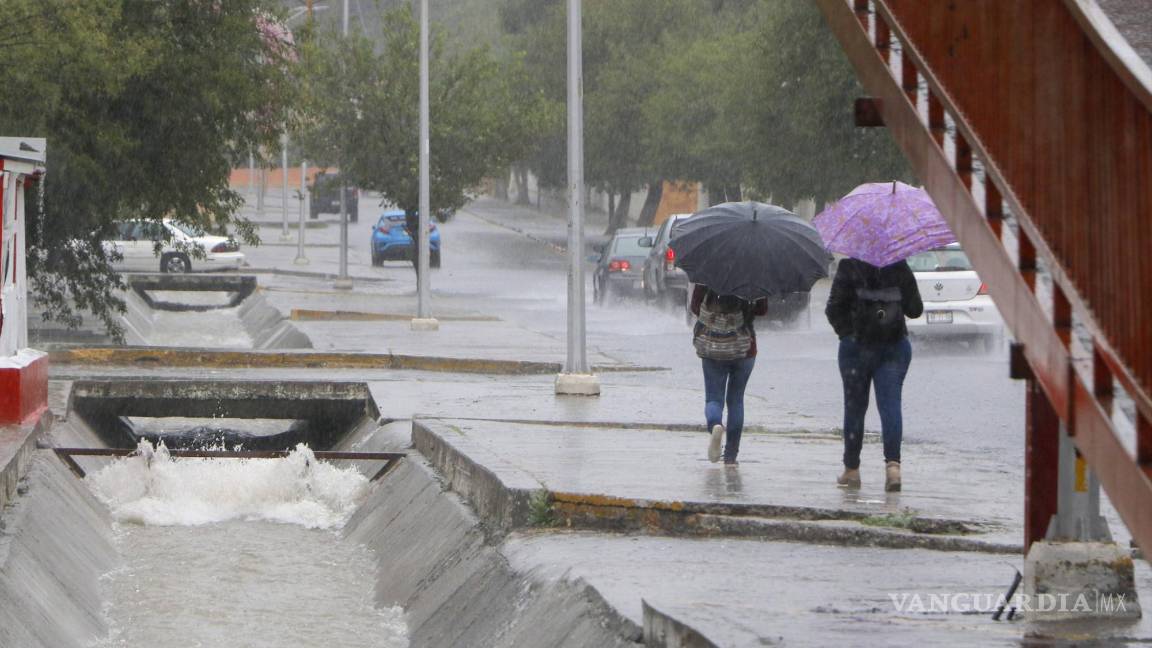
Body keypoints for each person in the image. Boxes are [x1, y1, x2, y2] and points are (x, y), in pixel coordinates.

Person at [825, 258, 923, 491]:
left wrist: (847, 334)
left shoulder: (849, 266)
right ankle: (893, 467)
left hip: (856, 347)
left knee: (855, 407)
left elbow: (833, 308)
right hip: (894, 345)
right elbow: (915, 310)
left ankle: (852, 470)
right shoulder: (898, 265)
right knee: (890, 405)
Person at [690, 284, 768, 465]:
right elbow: (762, 310)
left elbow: (695, 306)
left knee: (713, 399)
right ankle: (731, 456)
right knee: (736, 400)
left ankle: (715, 425)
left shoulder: (707, 271)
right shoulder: (754, 275)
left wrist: (716, 316)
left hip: (712, 346)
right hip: (744, 348)